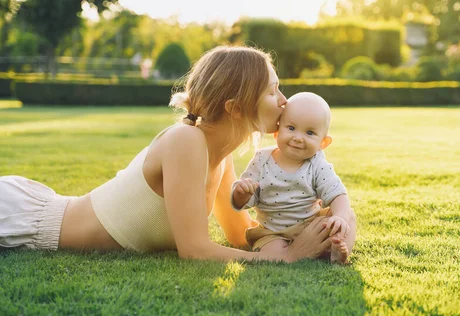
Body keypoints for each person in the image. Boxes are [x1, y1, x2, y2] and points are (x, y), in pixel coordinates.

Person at [0, 46, 357, 263]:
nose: (284, 102)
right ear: (235, 107)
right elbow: (195, 251)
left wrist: (313, 229)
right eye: (273, 91)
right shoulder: (186, 141)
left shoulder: (222, 154)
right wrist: (289, 258)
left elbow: (238, 234)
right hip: (24, 221)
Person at [231, 92, 355, 264]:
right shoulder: (261, 160)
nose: (298, 137)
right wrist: (242, 193)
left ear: (323, 143)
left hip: (310, 225)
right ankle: (299, 252)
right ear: (277, 132)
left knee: (347, 216)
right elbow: (246, 199)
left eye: (310, 132)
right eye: (291, 128)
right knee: (273, 253)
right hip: (273, 231)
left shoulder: (316, 163)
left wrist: (340, 217)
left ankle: (338, 250)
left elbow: (337, 193)